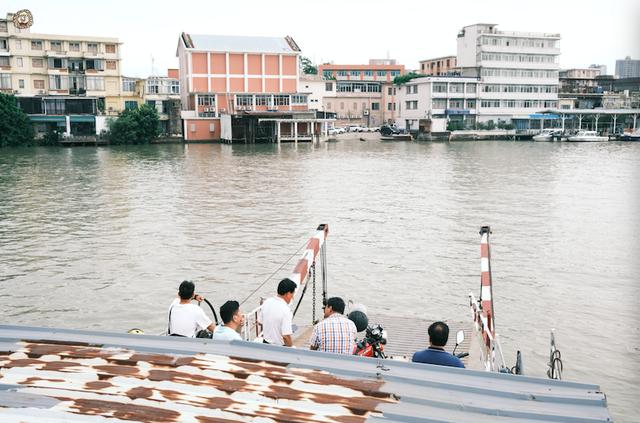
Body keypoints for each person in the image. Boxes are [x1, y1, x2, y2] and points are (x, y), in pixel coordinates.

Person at [261, 278, 296, 346]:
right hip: (278, 348)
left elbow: (260, 321)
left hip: (265, 344)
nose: (292, 297)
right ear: (288, 294)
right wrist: (291, 347)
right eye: (292, 294)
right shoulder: (286, 310)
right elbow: (286, 336)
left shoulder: (267, 302)